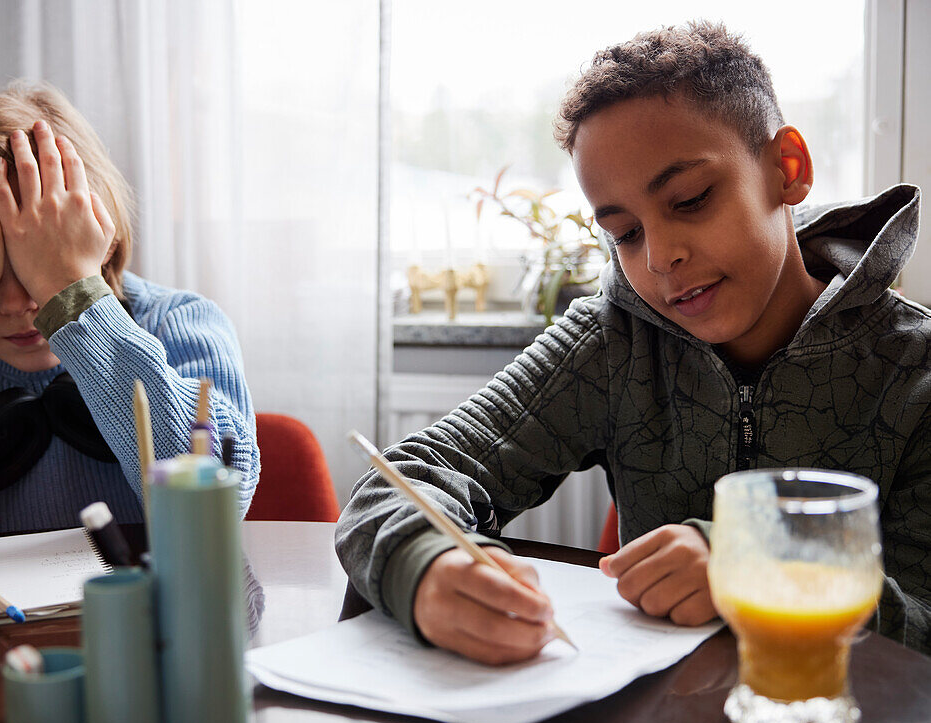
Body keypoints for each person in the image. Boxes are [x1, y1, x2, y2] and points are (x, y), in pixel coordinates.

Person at [336, 20, 929, 662]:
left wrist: (757, 565)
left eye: (691, 199)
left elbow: (921, 625)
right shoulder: (610, 343)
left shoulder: (914, 369)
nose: (660, 258)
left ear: (787, 168)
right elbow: (404, 477)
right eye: (624, 233)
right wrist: (431, 566)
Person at [0, 82, 259, 544]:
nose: (18, 304)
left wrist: (73, 295)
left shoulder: (182, 327)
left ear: (102, 233)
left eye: (36, 263)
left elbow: (216, 503)